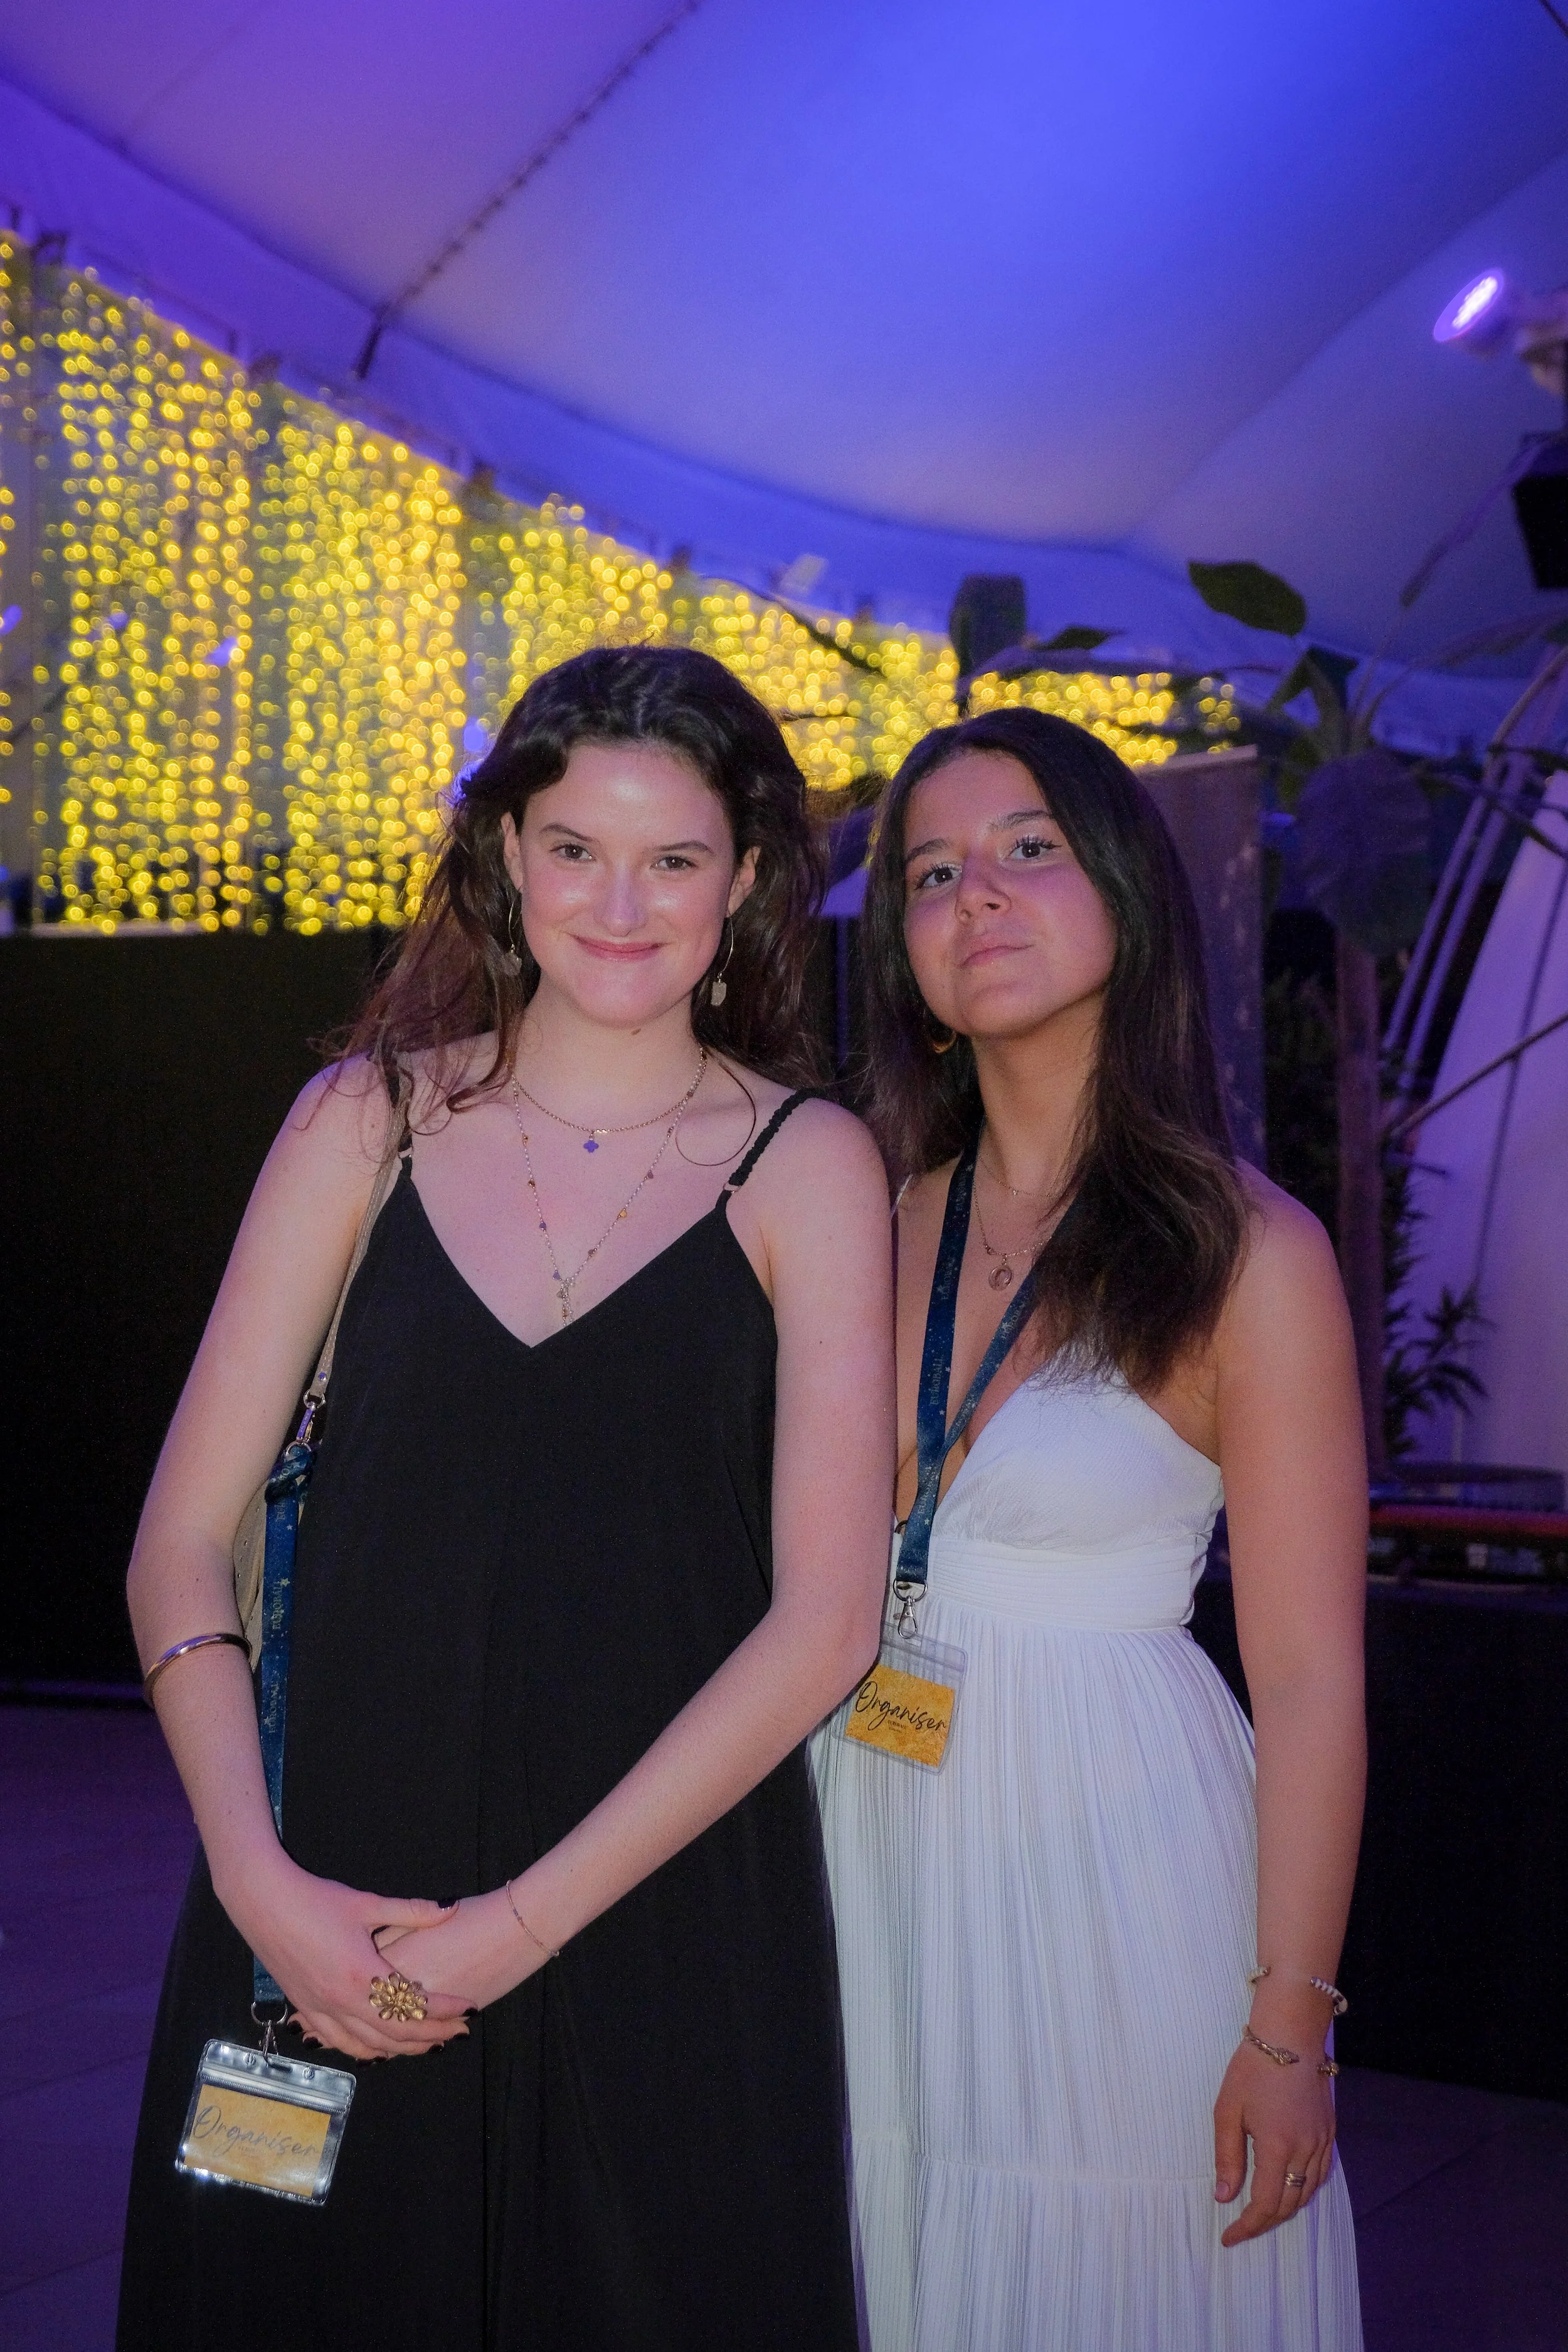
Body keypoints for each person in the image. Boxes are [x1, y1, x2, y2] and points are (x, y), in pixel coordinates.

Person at [118, 645, 893, 2352]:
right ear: (507, 858)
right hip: (322, 1909)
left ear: (744, 883)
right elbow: (179, 1543)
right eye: (575, 849)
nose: (620, 903)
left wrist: (516, 1931)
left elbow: (827, 1617)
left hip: (656, 1910)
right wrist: (255, 1880)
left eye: (674, 858)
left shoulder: (811, 1165)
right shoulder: (363, 1120)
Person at [812, 708, 1365, 2349]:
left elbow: (1312, 1682)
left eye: (1026, 849)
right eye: (930, 872)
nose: (973, 894)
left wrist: (1290, 2026)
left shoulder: (1246, 1253)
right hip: (863, 1844)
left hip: (1119, 1870)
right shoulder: (852, 1212)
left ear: (1123, 888)